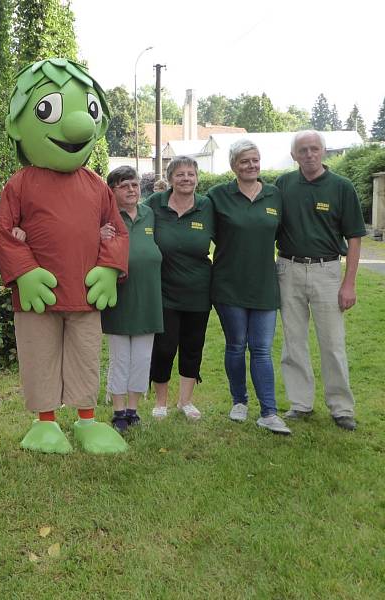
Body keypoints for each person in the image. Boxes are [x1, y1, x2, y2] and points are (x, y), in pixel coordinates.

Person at [0, 58, 130, 455]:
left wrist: (108, 268)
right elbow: (4, 231)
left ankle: (87, 420)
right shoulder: (20, 184)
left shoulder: (96, 185)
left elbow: (117, 230)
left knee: (86, 355)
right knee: (40, 355)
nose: (78, 125)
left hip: (85, 293)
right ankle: (45, 422)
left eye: (88, 111)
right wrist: (24, 272)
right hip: (40, 295)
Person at [275, 130, 366, 431]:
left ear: (324, 152)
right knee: (293, 341)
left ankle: (341, 407)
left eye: (315, 149)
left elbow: (354, 238)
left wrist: (349, 283)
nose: (309, 154)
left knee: (333, 343)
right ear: (294, 155)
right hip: (288, 268)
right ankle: (301, 403)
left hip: (327, 271)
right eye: (303, 150)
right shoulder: (283, 185)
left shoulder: (341, 187)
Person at [208, 140, 290, 434]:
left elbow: (284, 233)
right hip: (229, 284)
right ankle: (239, 401)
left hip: (265, 286)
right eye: (244, 161)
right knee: (235, 345)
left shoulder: (274, 195)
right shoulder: (218, 196)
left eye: (255, 160)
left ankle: (268, 411)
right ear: (233, 166)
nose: (251, 166)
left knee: (262, 349)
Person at [146, 156, 214, 421]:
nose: (186, 178)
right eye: (180, 174)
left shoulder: (208, 206)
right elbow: (131, 220)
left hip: (198, 290)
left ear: (197, 178)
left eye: (191, 174)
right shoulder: (155, 204)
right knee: (163, 347)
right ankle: (160, 402)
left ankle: (186, 401)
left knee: (192, 345)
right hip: (163, 290)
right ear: (170, 178)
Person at [100, 166, 163, 433]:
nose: (132, 190)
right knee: (120, 357)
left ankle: (133, 409)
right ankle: (118, 411)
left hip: (149, 296)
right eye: (124, 185)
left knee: (142, 357)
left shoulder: (150, 214)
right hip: (120, 297)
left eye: (135, 185)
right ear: (112, 190)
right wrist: (97, 234)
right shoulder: (106, 219)